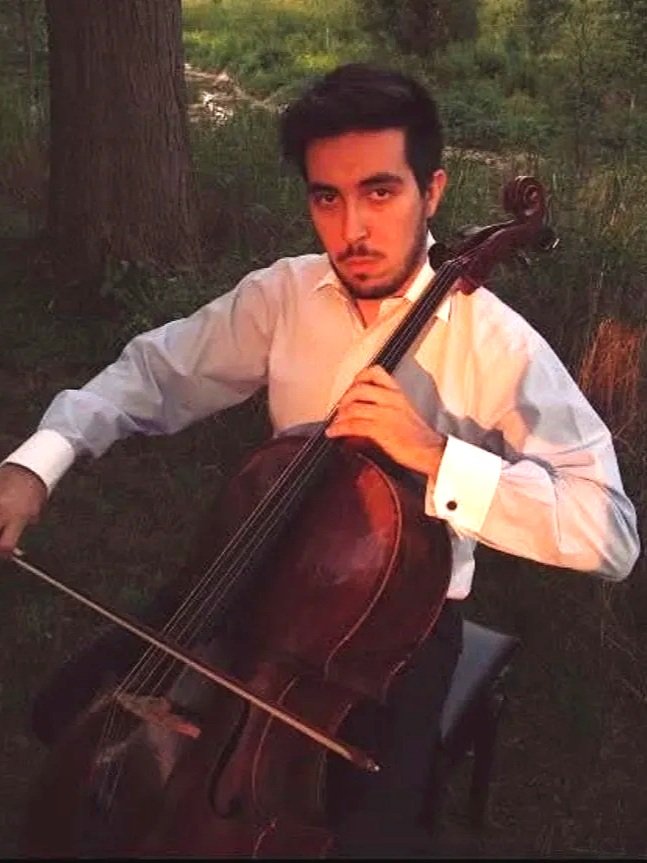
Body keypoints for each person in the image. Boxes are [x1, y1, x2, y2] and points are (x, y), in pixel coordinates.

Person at [0, 63, 640, 857]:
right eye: (325, 198)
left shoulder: (496, 344)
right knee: (65, 709)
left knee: (364, 837)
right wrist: (37, 461)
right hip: (245, 580)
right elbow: (151, 373)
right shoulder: (283, 294)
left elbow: (608, 533)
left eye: (379, 191)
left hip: (391, 635)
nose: (350, 230)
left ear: (431, 191)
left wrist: (439, 457)